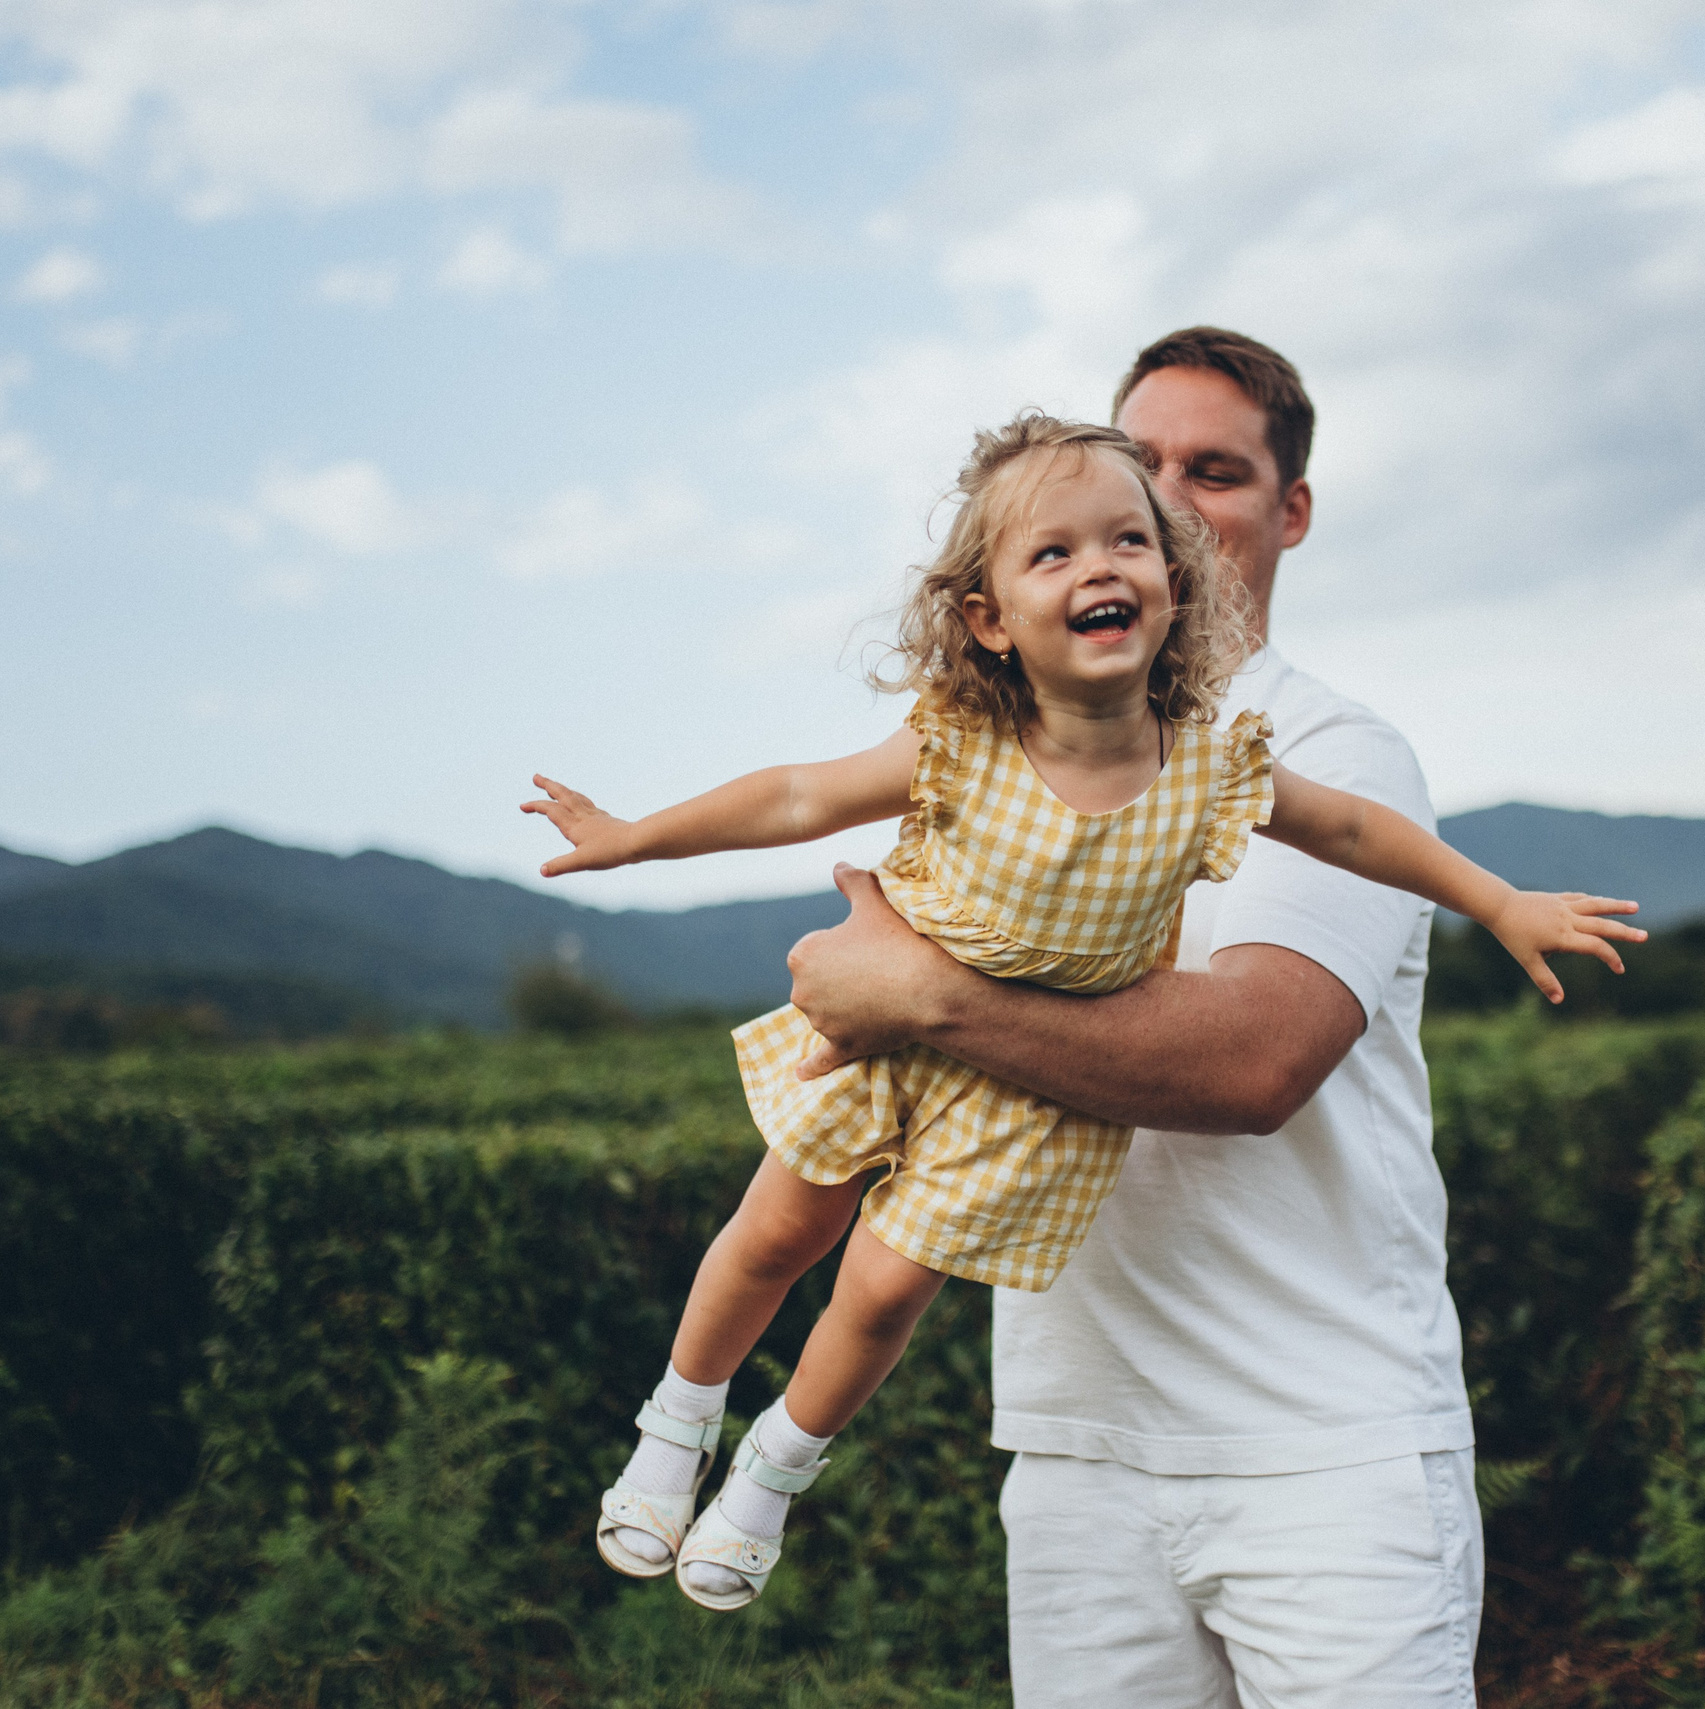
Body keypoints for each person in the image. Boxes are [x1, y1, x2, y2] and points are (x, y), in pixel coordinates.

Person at [525, 407, 1642, 1617]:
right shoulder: (963, 740)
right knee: (775, 1231)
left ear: (1172, 584)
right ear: (989, 619)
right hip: (883, 1044)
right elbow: (798, 795)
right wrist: (634, 837)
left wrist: (1499, 900)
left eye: (1126, 541)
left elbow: (1359, 831)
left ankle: (771, 1471)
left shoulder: (1209, 764)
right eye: (1052, 552)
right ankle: (676, 1421)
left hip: (1021, 1089)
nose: (1097, 566)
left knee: (884, 1293)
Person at [781, 329, 1530, 1706]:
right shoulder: (996, 752)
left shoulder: (1334, 755)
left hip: (1323, 1451)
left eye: (1218, 473)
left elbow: (1252, 1059)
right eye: (1145, 465)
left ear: (1292, 511)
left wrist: (923, 991)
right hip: (1078, 1443)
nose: (1172, 501)